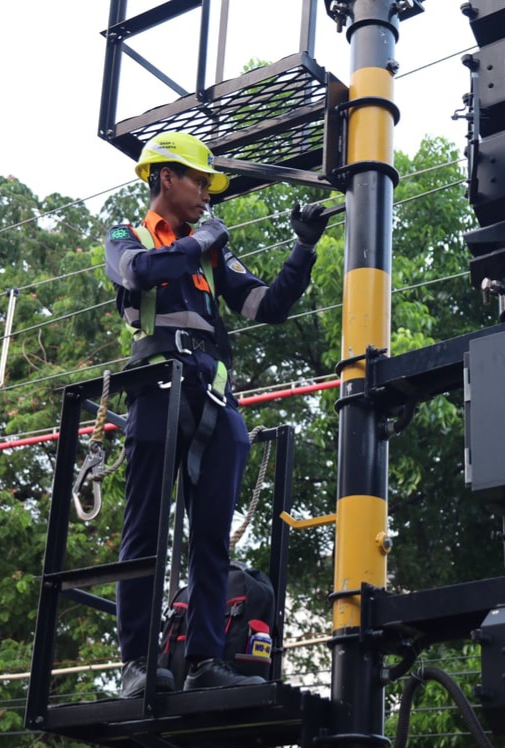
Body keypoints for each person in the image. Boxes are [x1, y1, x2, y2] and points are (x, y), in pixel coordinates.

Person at [104, 131, 328, 698]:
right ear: (164, 179)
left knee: (211, 539)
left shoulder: (211, 252)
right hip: (157, 388)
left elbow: (265, 306)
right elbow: (140, 274)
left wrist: (302, 249)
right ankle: (136, 665)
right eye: (198, 181)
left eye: (207, 184)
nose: (206, 193)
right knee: (145, 532)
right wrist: (200, 239)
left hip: (213, 396)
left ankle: (204, 659)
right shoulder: (124, 237)